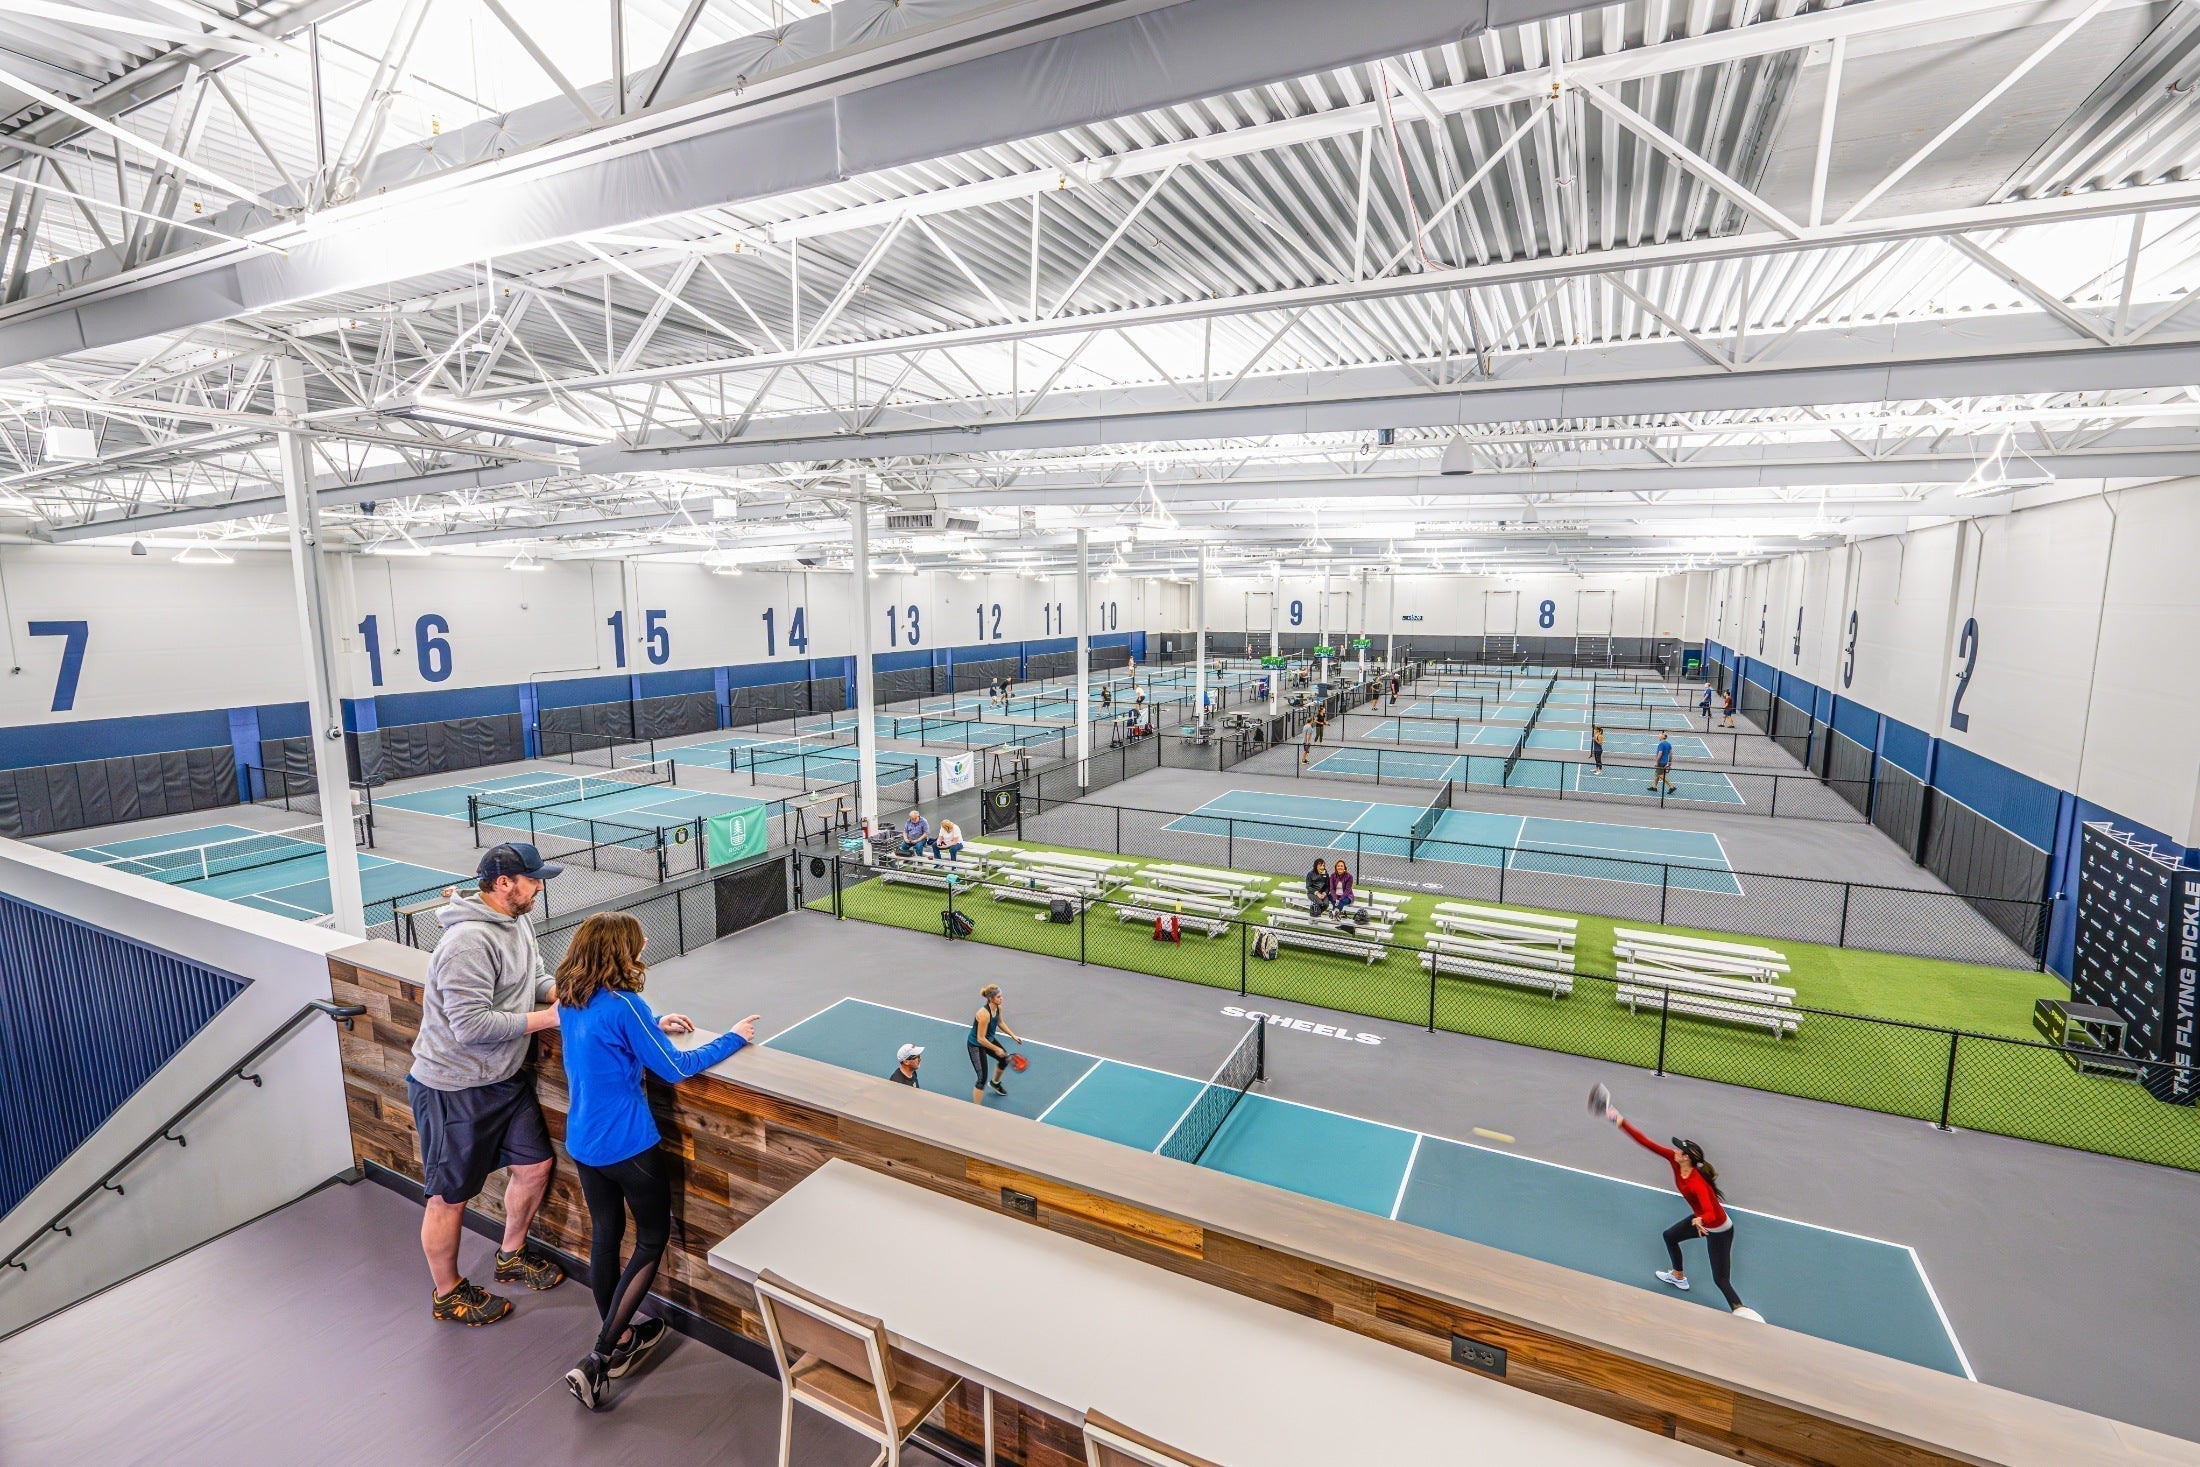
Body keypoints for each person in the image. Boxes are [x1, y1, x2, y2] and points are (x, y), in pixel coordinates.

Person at [553, 912, 759, 1409]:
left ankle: (620, 1341)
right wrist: (733, 1037)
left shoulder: (572, 999)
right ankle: (600, 1357)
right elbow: (676, 1068)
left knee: (605, 1237)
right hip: (628, 1145)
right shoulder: (626, 1004)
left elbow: (614, 1041)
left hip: (583, 1142)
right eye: (638, 943)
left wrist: (653, 1025)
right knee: (650, 1239)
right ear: (621, 952)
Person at [408, 843, 571, 1327]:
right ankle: (447, 1292)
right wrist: (547, 1019)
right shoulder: (466, 944)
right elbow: (471, 1026)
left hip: (503, 1078)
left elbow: (535, 977)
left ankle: (511, 1255)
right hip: (452, 1088)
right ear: (504, 884)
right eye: (533, 879)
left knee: (536, 1164)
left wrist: (563, 993)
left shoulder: (518, 921)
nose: (540, 886)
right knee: (449, 1196)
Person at [1602, 1102, 1757, 1319]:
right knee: (1670, 1236)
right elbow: (1647, 1143)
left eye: (1679, 1150)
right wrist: (1619, 1121)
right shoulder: (1675, 1162)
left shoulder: (1697, 1183)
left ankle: (1742, 1311)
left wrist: (1700, 1219)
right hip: (1701, 1221)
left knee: (1720, 1279)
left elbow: (1711, 1212)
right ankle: (1678, 1276)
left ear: (1687, 1157)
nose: (1674, 1150)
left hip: (1719, 1229)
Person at [969, 984, 1021, 1102]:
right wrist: (996, 1049)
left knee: (1004, 1059)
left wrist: (1013, 1036)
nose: (1001, 999)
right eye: (998, 997)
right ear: (991, 999)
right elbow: (980, 1039)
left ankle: (995, 1083)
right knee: (982, 1078)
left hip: (989, 1040)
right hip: (976, 1045)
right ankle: (975, 1109)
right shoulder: (984, 1014)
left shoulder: (998, 1008)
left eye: (1001, 996)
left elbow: (1000, 1022)